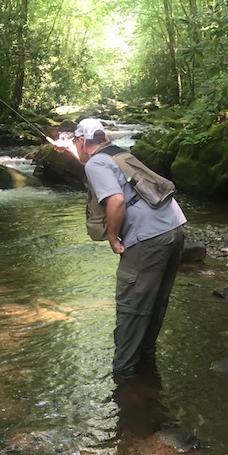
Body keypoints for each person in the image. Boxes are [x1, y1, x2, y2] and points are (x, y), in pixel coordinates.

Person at [54, 118, 186, 381]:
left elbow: (115, 200)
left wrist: (113, 239)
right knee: (156, 301)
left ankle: (124, 376)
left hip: (148, 239)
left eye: (75, 142)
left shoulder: (96, 163)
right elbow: (99, 166)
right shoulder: (119, 154)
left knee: (132, 305)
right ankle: (146, 363)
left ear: (82, 140)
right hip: (174, 227)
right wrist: (72, 151)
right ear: (103, 138)